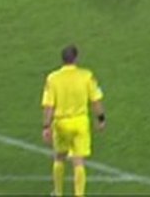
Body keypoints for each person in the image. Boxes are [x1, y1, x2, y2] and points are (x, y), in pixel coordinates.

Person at [41, 45, 105, 197]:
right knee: (78, 161)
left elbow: (48, 105)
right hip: (81, 123)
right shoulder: (86, 76)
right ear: (76, 58)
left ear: (62, 59)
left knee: (59, 157)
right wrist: (101, 118)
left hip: (61, 124)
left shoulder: (53, 78)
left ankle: (58, 192)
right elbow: (96, 101)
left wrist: (46, 126)